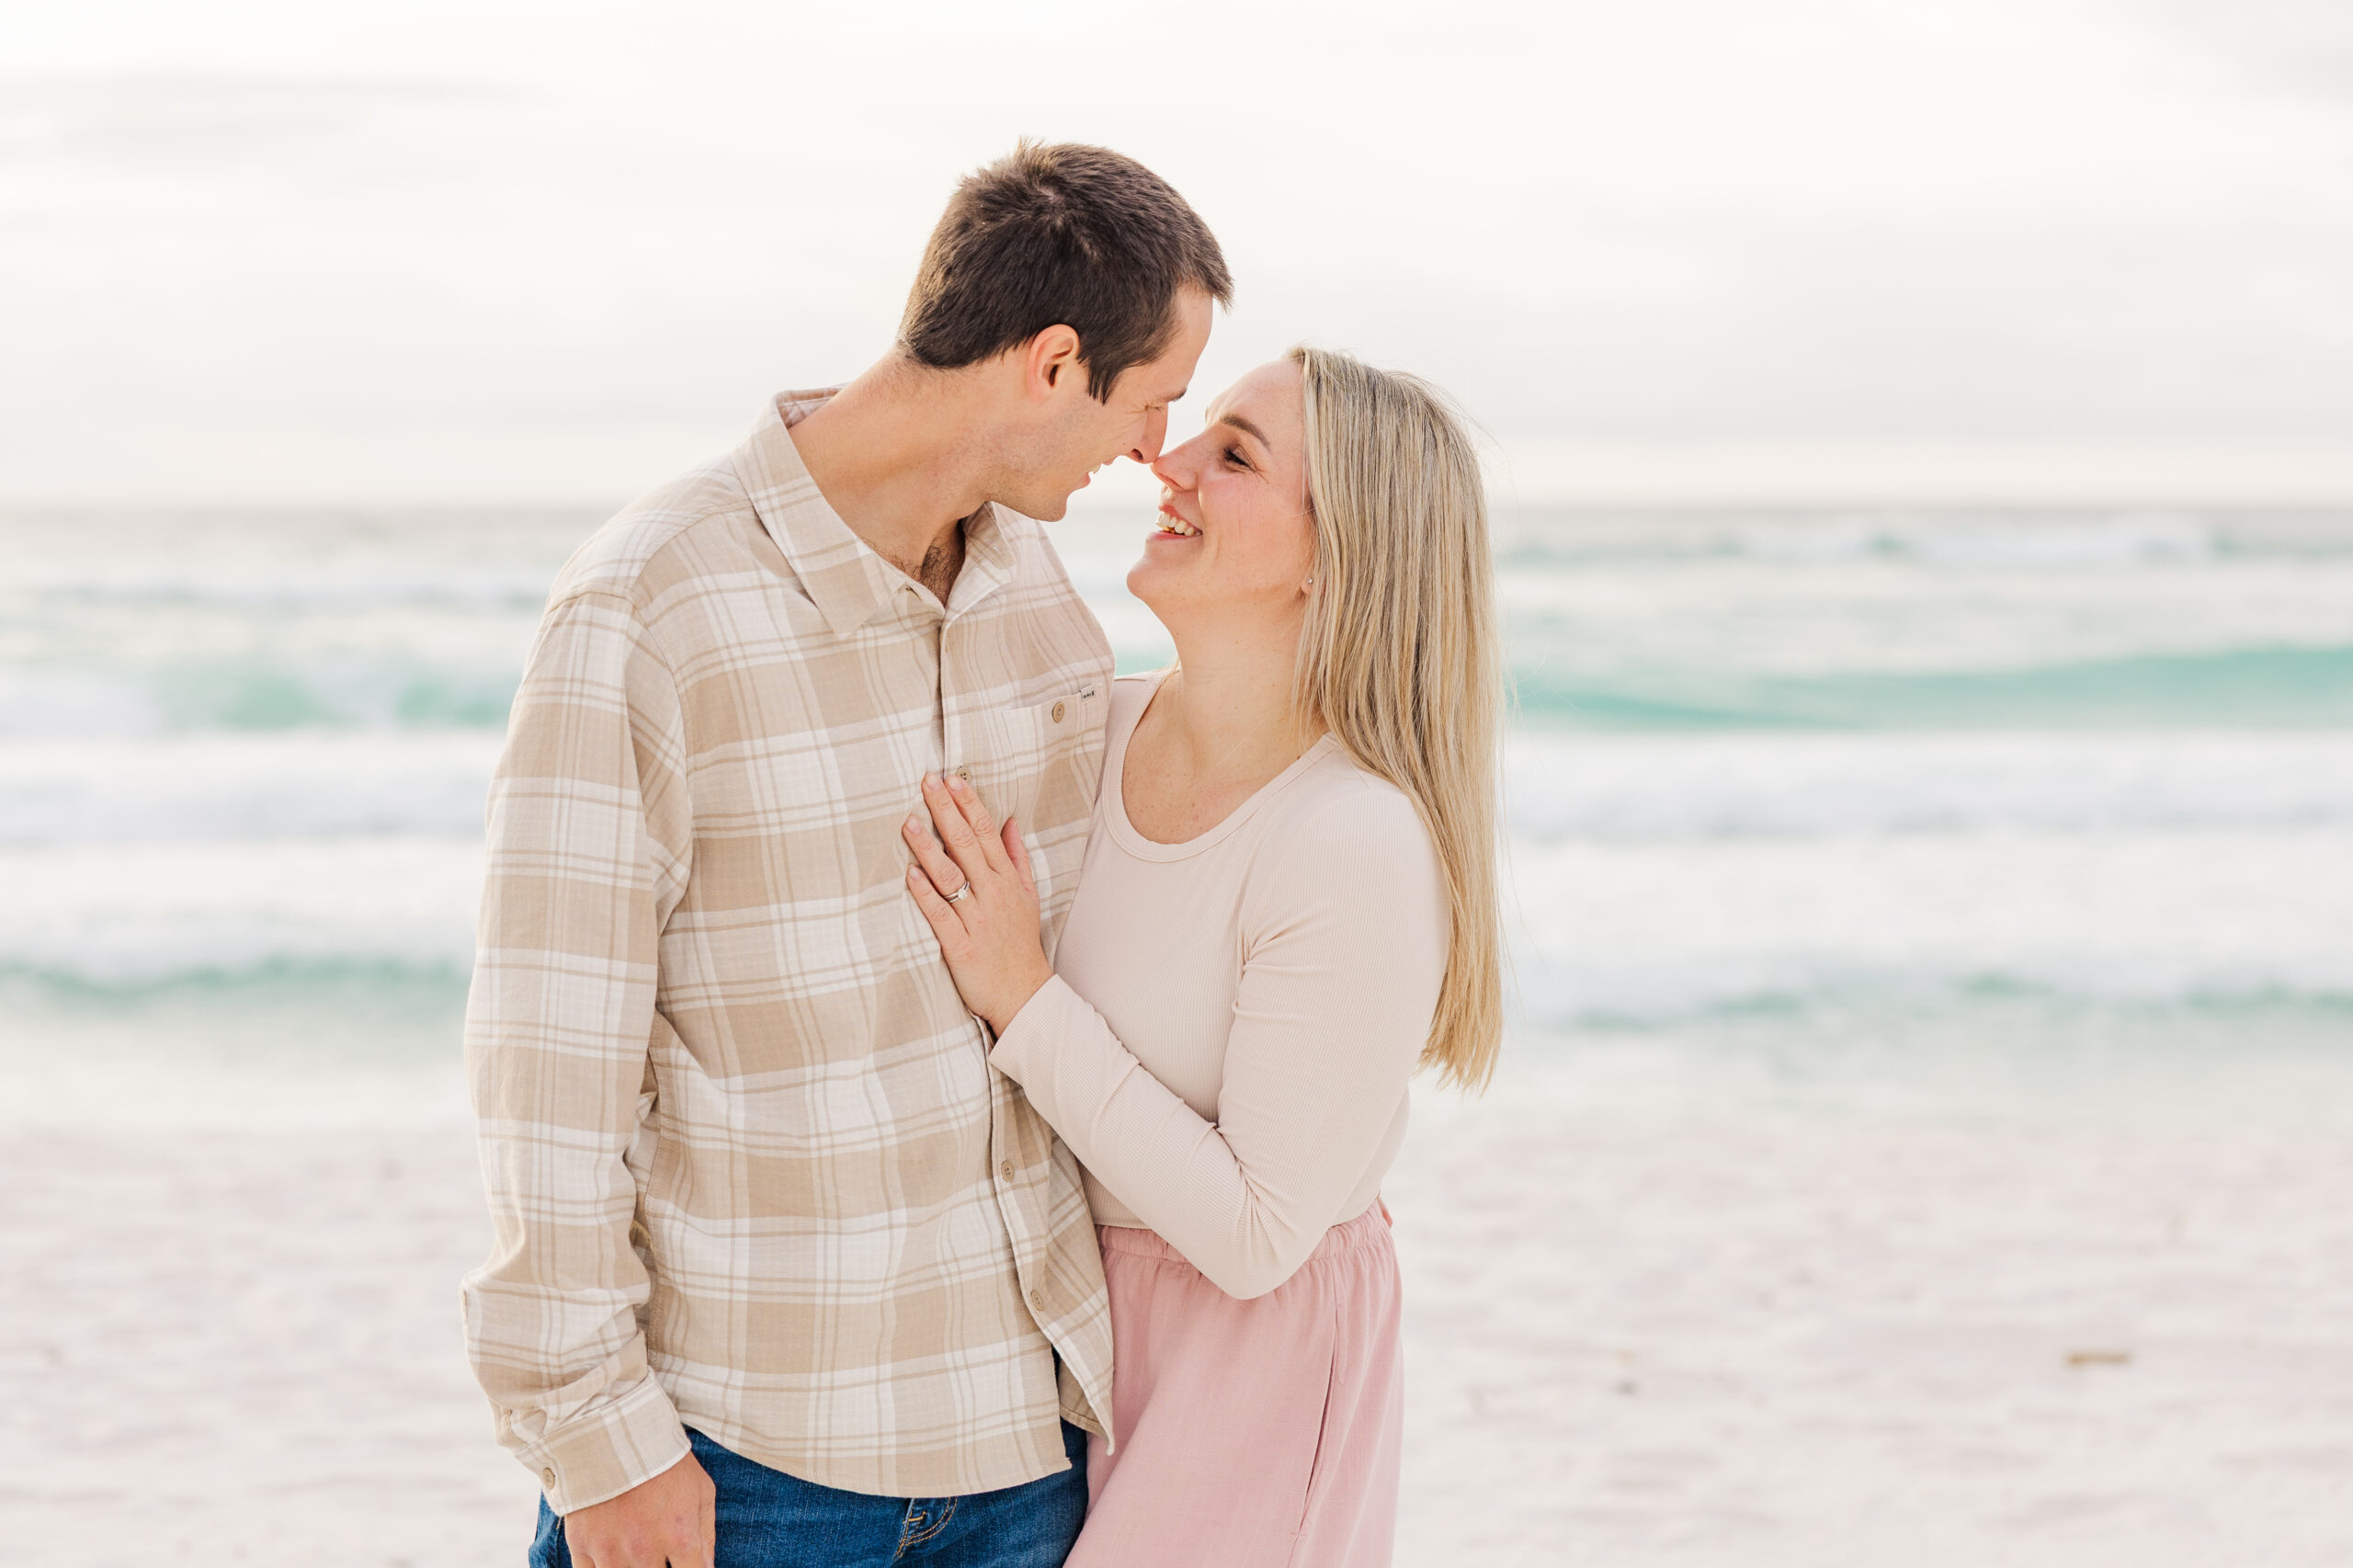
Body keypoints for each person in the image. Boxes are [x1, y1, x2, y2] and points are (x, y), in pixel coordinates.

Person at [460, 142, 1229, 1568]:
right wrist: (597, 1441)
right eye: (1151, 398)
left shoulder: (1037, 606)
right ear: (1054, 365)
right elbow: (549, 1064)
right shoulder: (653, 603)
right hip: (748, 1464)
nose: (1153, 447)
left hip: (1025, 1454)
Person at [904, 345, 1504, 1566]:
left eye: (1233, 454)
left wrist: (1026, 998)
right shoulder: (1094, 723)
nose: (1162, 461)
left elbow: (1256, 1230)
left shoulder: (1351, 837)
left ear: (1335, 554)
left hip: (1247, 1370)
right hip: (1064, 1334)